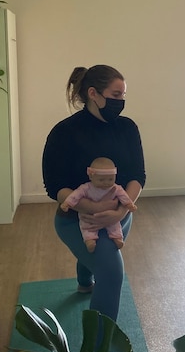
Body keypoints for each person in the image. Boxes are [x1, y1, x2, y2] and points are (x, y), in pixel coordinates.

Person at [42, 65, 146, 322]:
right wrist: (96, 210)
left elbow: (137, 176)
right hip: (74, 219)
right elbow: (55, 186)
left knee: (97, 255)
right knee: (111, 272)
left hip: (119, 217)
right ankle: (98, 351)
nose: (121, 101)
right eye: (116, 94)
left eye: (124, 95)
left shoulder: (128, 128)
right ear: (93, 94)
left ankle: (84, 281)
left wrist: (119, 212)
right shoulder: (63, 133)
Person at [61, 157, 138, 253]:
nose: (106, 183)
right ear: (91, 177)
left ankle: (117, 238)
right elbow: (75, 195)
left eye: (110, 179)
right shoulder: (86, 188)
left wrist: (129, 204)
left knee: (114, 224)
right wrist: (68, 203)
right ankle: (89, 240)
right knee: (87, 225)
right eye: (101, 180)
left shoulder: (116, 188)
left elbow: (124, 196)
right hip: (89, 214)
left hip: (111, 213)